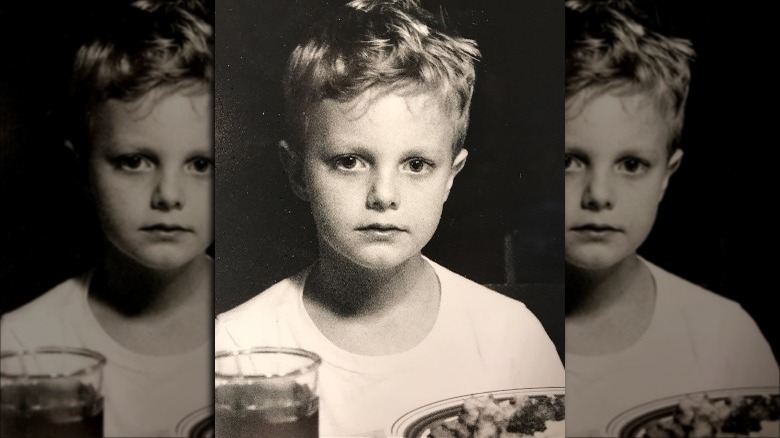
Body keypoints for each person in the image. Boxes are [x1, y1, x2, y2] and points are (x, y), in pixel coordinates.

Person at [214, 0, 564, 436]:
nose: (384, 195)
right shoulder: (236, 350)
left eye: (416, 164)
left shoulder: (509, 337)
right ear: (297, 172)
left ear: (450, 177)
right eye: (350, 161)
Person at [564, 0, 780, 436]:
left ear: (666, 175)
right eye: (567, 161)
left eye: (631, 165)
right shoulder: (496, 335)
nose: (599, 196)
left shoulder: (723, 338)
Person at [0, 0, 214, 436]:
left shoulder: (271, 327)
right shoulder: (20, 348)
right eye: (134, 161)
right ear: (81, 170)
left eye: (202, 164)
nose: (168, 196)